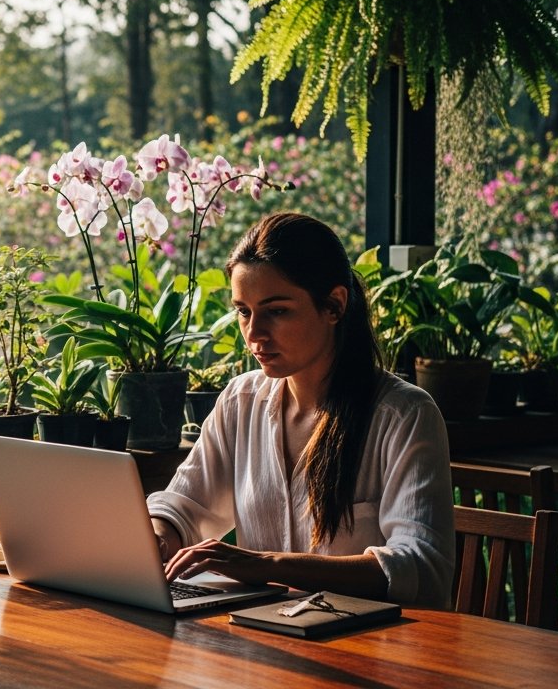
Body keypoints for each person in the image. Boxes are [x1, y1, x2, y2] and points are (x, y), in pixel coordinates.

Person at [147, 212, 454, 608]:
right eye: (243, 311)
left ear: (334, 305)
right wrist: (158, 537)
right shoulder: (242, 402)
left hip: (366, 650)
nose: (254, 333)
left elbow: (422, 569)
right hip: (261, 643)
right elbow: (184, 507)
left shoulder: (403, 416)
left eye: (277, 311)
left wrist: (268, 565)